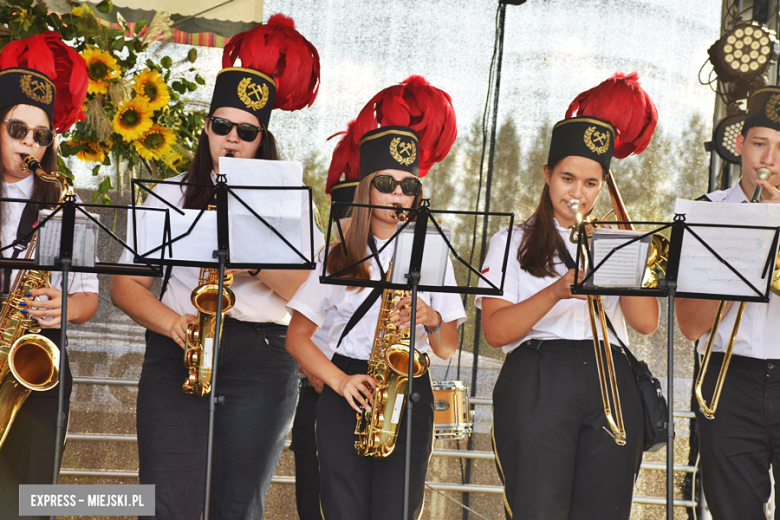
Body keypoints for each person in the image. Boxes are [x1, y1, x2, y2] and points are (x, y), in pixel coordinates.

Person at [109, 14, 321, 520]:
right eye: (222, 126)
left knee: (237, 507)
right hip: (179, 347)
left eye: (246, 131)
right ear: (206, 128)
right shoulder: (168, 194)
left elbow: (308, 294)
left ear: (262, 137)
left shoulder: (291, 201)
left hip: (263, 359)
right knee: (165, 504)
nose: (232, 139)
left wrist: (251, 261)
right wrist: (172, 323)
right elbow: (125, 287)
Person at [476, 73, 660, 520]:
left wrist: (626, 254)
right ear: (547, 175)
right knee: (537, 508)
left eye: (591, 183)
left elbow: (646, 323)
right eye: (567, 178)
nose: (577, 193)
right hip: (539, 375)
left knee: (605, 509)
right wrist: (558, 291)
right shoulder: (511, 240)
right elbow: (496, 332)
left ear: (603, 185)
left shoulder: (618, 239)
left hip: (610, 374)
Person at [285, 76, 464, 520]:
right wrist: (340, 381)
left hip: (410, 390)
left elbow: (446, 347)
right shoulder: (337, 254)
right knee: (342, 508)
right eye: (388, 183)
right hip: (348, 386)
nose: (399, 195)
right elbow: (298, 339)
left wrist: (429, 317)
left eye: (410, 186)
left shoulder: (435, 249)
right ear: (366, 186)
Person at [0, 32, 98, 520]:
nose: (30, 144)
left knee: (31, 505)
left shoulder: (66, 202)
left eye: (41, 136)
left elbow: (88, 298)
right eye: (18, 130)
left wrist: (65, 306)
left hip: (36, 365)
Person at [676, 85, 780, 520]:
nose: (769, 159)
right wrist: (743, 245)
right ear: (739, 145)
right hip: (727, 377)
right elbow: (689, 326)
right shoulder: (706, 212)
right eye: (759, 144)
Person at [290, 179, 355, 520]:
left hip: (366, 391)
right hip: (318, 395)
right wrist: (313, 368)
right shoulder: (325, 260)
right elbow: (297, 331)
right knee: (315, 495)